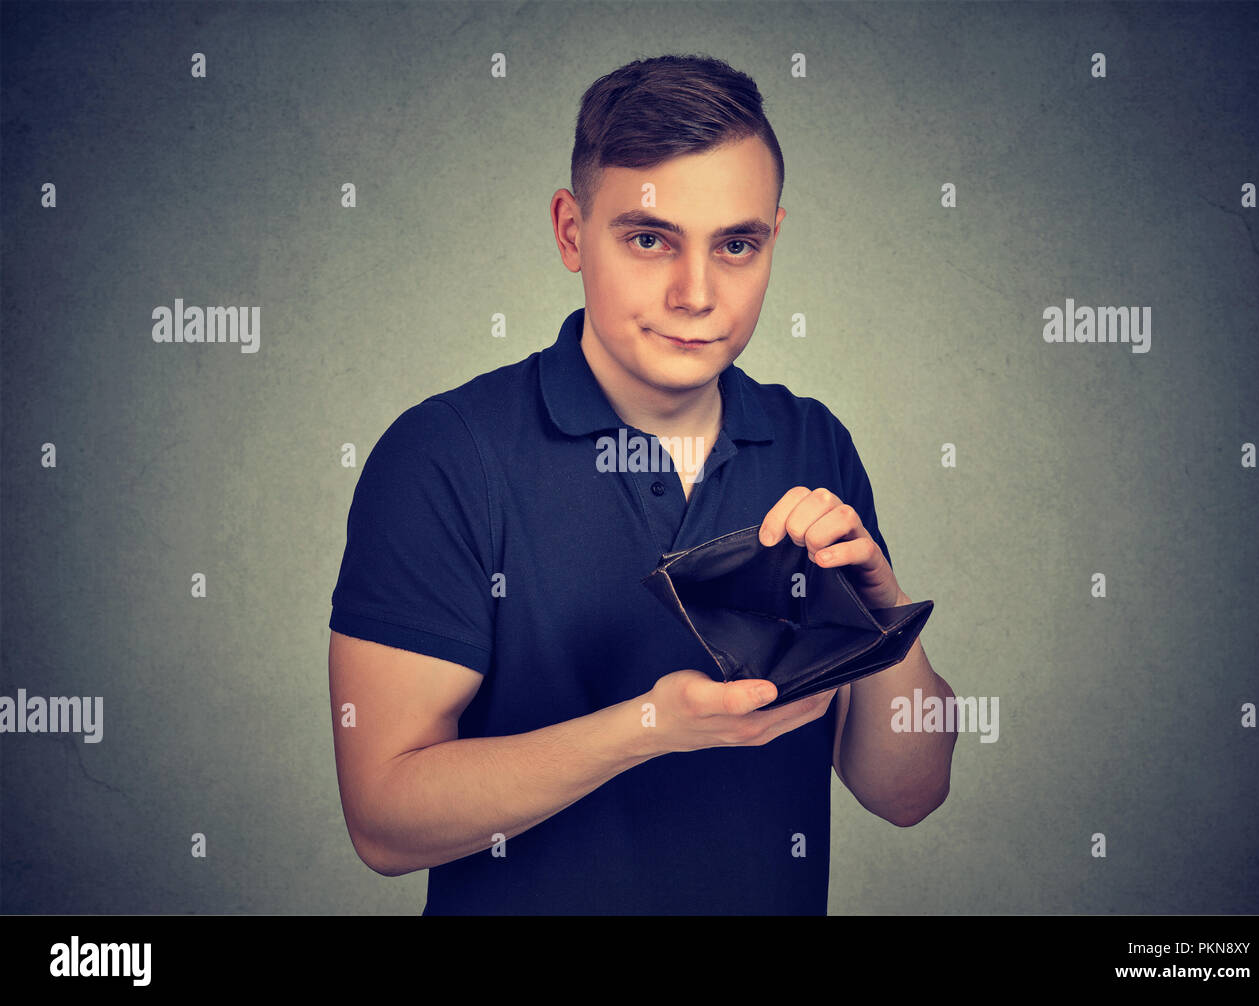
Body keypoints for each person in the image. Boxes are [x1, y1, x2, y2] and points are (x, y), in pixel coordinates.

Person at [328, 53, 957, 915]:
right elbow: (383, 822)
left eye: (737, 245)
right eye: (651, 239)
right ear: (570, 231)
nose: (697, 294)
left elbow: (908, 795)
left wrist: (886, 628)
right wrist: (651, 728)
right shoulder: (444, 455)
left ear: (774, 236)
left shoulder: (814, 441)